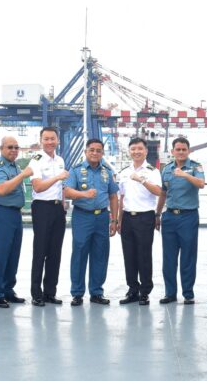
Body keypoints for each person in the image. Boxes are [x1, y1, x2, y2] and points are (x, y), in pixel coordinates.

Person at [63, 138, 119, 306]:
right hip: (82, 216)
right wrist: (84, 194)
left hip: (102, 217)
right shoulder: (76, 170)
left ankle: (96, 292)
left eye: (98, 150)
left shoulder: (107, 172)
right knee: (79, 253)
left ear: (102, 153)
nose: (95, 153)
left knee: (100, 254)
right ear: (86, 151)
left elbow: (113, 196)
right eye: (92, 150)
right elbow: (67, 191)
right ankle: (77, 293)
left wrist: (114, 219)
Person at [157, 137, 205, 305]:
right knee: (169, 257)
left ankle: (188, 293)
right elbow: (163, 193)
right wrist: (157, 214)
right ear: (173, 151)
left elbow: (201, 184)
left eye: (184, 149)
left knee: (188, 256)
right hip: (169, 217)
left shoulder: (195, 167)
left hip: (188, 217)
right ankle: (170, 293)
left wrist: (185, 175)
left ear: (189, 151)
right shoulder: (166, 169)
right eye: (178, 149)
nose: (181, 152)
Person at [0, 136, 32, 308]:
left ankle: (8, 289)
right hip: (2, 213)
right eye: (10, 147)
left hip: (14, 213)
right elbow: (2, 189)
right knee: (1, 254)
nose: (14, 150)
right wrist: (23, 175)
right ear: (1, 149)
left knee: (13, 254)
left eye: (16, 147)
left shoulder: (14, 166)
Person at [117, 138, 162, 306]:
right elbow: (122, 198)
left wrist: (142, 180)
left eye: (140, 149)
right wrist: (119, 220)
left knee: (144, 255)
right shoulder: (124, 172)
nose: (136, 151)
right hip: (128, 217)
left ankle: (145, 291)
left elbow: (158, 191)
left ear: (146, 151)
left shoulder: (152, 171)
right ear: (129, 151)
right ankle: (133, 290)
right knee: (129, 255)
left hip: (145, 217)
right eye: (133, 149)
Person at [27, 127, 69, 306]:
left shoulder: (60, 160)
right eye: (46, 139)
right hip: (42, 207)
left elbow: (61, 186)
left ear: (57, 140)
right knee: (40, 251)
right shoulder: (36, 161)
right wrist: (58, 177)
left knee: (55, 252)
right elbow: (38, 187)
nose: (50, 142)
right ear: (41, 141)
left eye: (53, 139)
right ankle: (36, 293)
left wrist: (63, 202)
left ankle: (50, 292)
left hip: (57, 208)